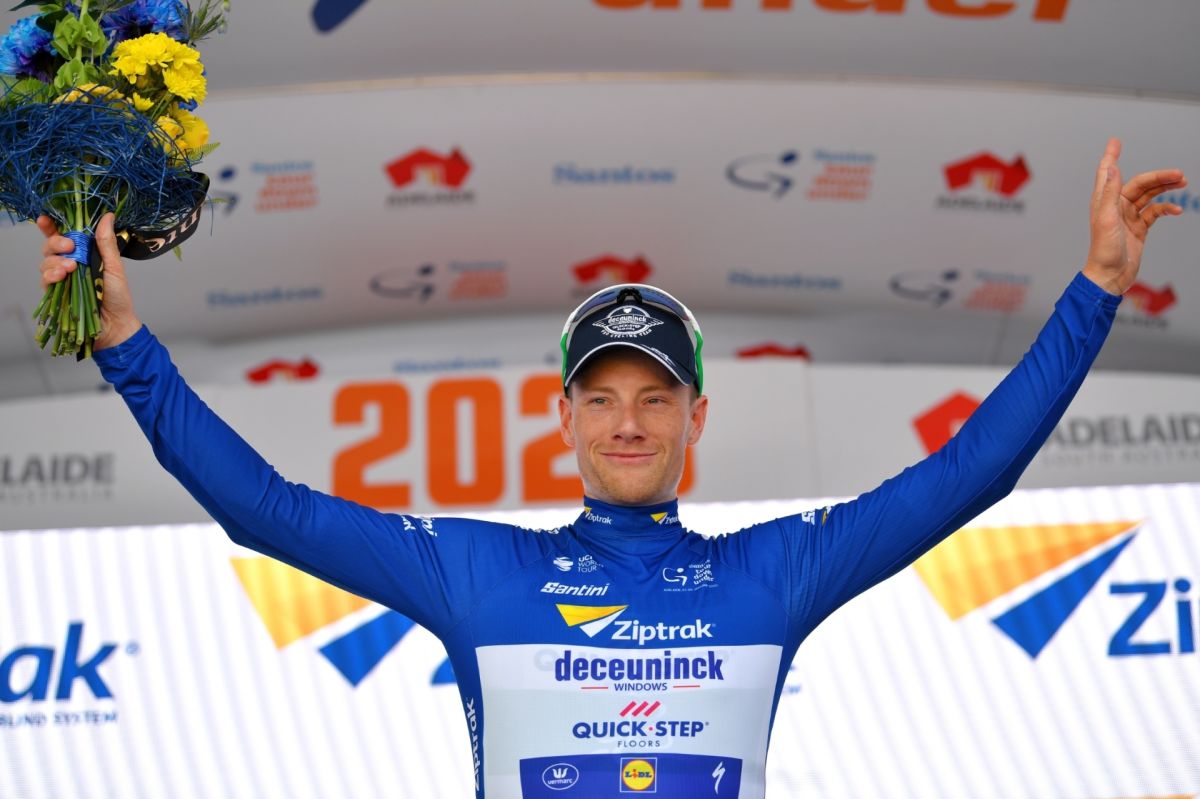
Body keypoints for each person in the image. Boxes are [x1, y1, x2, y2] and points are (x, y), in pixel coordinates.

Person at [35, 139, 1186, 798]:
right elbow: (264, 511)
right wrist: (126, 347)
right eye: (602, 398)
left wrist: (1096, 288)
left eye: (654, 398)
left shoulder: (774, 573)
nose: (627, 423)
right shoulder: (475, 572)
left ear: (696, 418)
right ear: (564, 418)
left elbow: (971, 473)